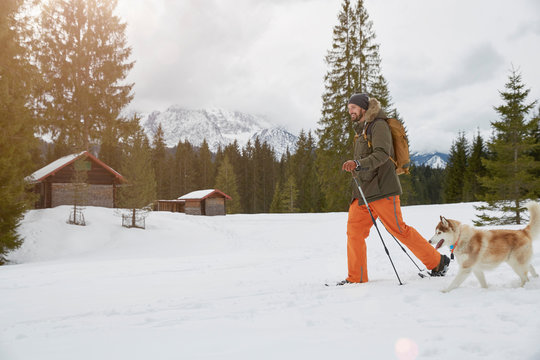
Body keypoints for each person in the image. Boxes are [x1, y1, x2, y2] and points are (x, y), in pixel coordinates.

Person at [337, 93, 449, 285]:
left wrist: (357, 163)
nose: (350, 111)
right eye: (349, 109)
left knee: (400, 230)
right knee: (354, 231)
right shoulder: (362, 130)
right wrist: (357, 166)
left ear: (364, 108)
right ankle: (357, 277)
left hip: (382, 190)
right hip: (363, 193)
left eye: (353, 108)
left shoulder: (378, 125)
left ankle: (438, 262)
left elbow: (382, 155)